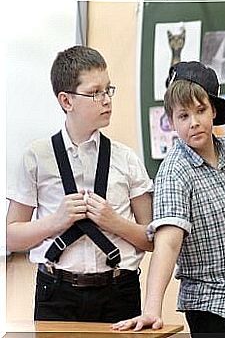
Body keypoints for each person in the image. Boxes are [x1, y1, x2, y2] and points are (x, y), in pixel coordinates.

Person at [112, 61, 225, 337]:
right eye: (183, 116)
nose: (193, 122)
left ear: (214, 111)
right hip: (214, 309)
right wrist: (152, 308)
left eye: (200, 110)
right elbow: (168, 244)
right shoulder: (174, 171)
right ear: (171, 121)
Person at [6, 45, 154, 322]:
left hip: (119, 291)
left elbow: (151, 237)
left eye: (108, 90)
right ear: (66, 101)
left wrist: (114, 222)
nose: (107, 100)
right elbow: (11, 235)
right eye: (95, 92)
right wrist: (55, 221)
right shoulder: (36, 157)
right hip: (56, 293)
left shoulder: (127, 158)